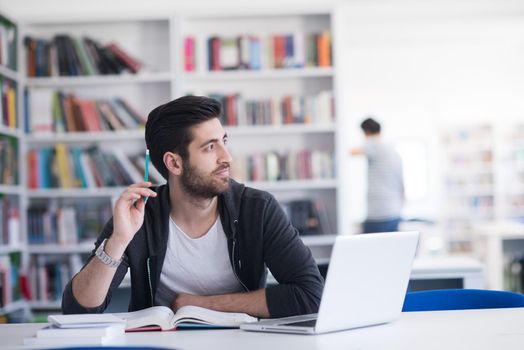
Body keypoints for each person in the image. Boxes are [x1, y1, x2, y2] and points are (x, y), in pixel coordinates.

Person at [62, 95, 324, 319]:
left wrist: (202, 305)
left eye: (224, 141)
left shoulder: (257, 209)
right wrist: (118, 241)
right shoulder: (141, 215)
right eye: (210, 147)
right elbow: (78, 311)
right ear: (174, 163)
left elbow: (310, 294)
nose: (227, 157)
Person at [350, 117, 404, 233]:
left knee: (370, 248)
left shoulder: (374, 143)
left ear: (367, 131)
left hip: (378, 212)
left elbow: (351, 152)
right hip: (394, 210)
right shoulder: (392, 149)